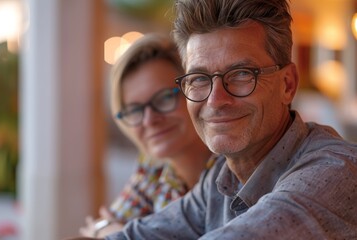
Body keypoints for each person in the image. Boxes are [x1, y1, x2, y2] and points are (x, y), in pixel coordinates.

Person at [69, 0, 357, 239]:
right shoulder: (221, 179)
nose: (216, 100)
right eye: (199, 79)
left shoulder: (335, 171)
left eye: (242, 74)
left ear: (288, 84)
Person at [79, 33, 214, 238]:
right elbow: (98, 229)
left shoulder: (230, 170)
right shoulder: (153, 167)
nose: (149, 120)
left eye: (164, 98)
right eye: (134, 110)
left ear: (194, 90)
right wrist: (107, 228)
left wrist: (112, 231)